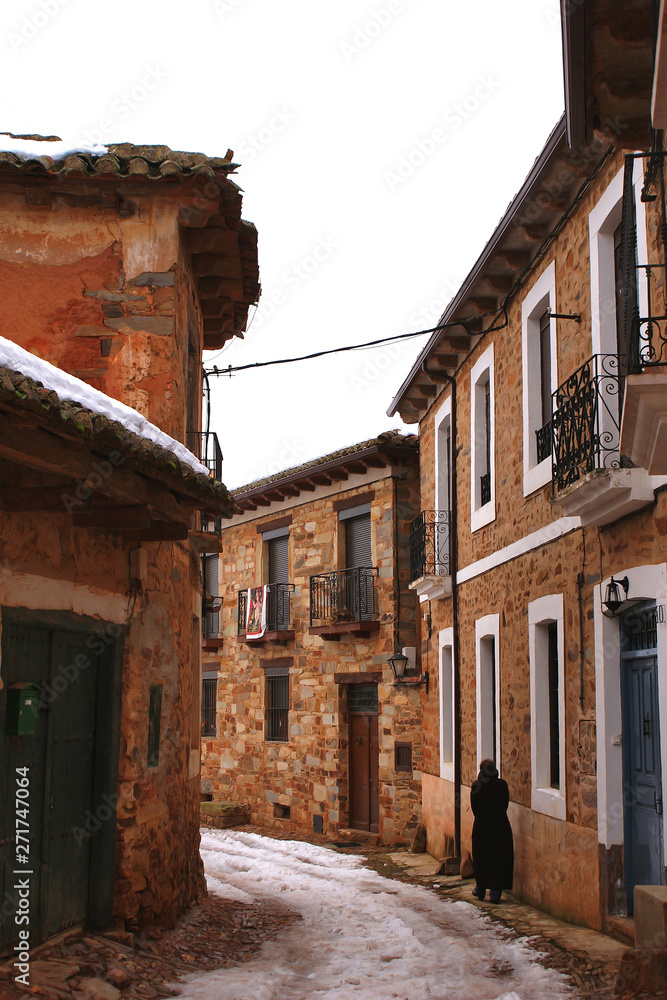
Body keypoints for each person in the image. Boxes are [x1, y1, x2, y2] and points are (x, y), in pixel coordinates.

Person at [470, 759, 513, 903]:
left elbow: (475, 808)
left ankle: (480, 890)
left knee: (481, 858)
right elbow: (505, 804)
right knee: (499, 859)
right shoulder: (502, 785)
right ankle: (495, 894)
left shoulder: (477, 786)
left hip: (482, 827)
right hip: (500, 826)